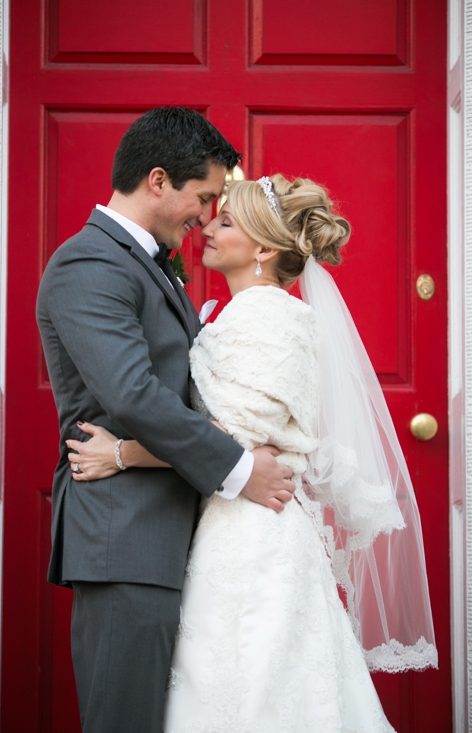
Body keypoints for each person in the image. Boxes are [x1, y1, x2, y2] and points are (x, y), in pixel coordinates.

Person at [68, 174, 438, 731]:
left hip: (251, 533)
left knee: (249, 681)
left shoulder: (267, 316)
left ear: (264, 248)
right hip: (227, 517)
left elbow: (232, 438)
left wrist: (122, 454)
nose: (205, 227)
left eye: (225, 222)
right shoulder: (230, 311)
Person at [34, 107, 297, 733]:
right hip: (126, 535)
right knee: (126, 719)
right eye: (203, 197)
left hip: (173, 529)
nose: (205, 216)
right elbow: (132, 394)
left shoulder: (152, 264)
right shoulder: (90, 265)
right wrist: (238, 469)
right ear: (158, 181)